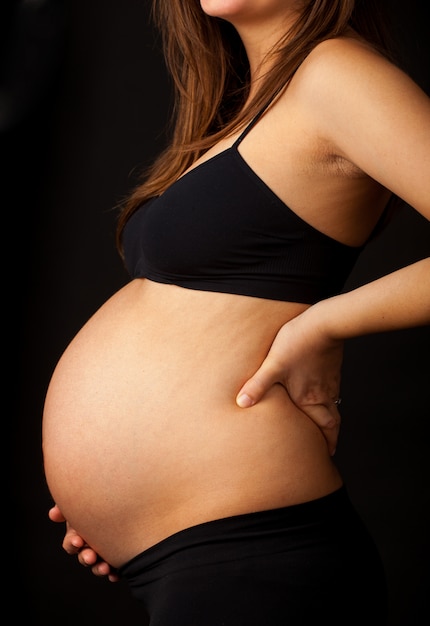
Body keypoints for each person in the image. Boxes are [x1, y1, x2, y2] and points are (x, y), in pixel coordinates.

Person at [42, 1, 430, 624]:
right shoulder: (246, 106)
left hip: (257, 551)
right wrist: (115, 510)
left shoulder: (335, 73)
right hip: (197, 555)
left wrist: (323, 324)